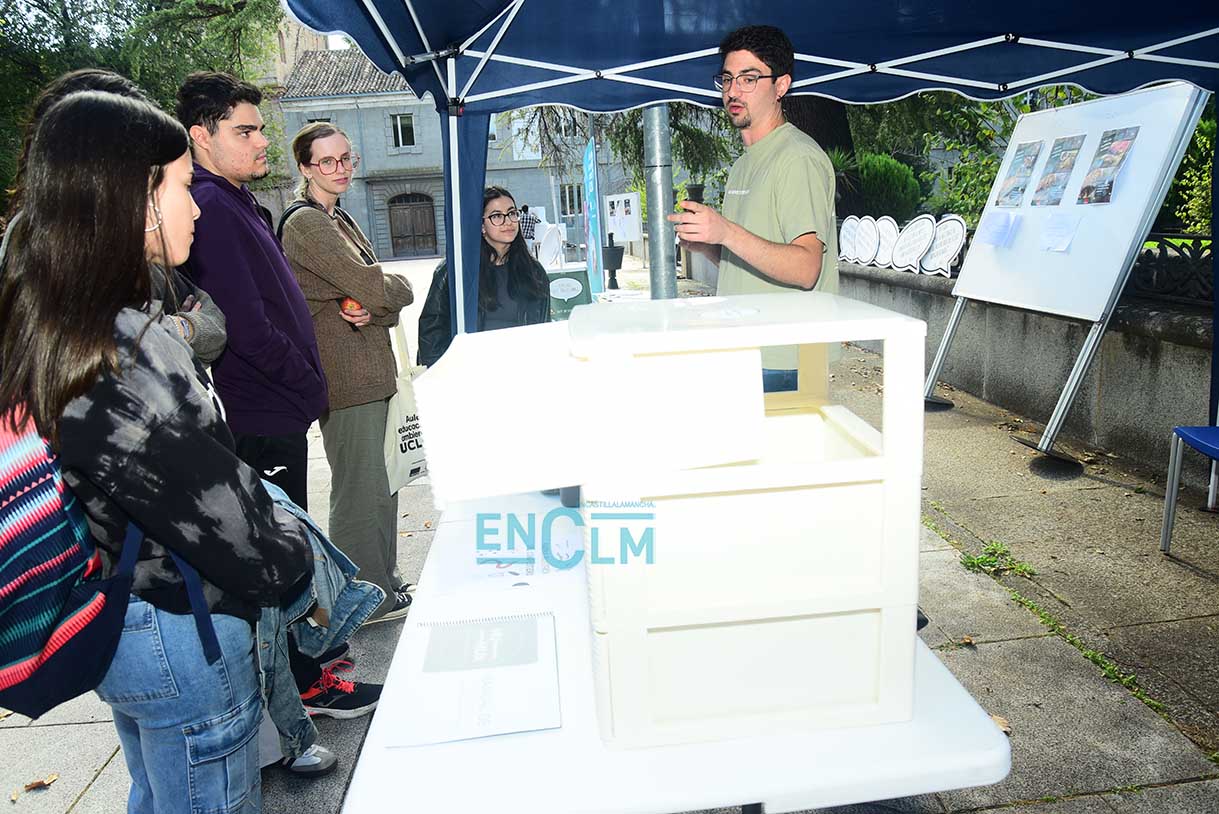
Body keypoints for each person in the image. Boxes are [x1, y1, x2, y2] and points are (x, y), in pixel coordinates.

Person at [0, 89, 313, 814]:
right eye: (181, 185)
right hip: (179, 629)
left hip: (121, 615)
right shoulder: (122, 349)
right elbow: (230, 528)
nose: (195, 207)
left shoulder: (50, 317)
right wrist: (293, 545)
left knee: (158, 789)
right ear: (137, 198)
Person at [176, 73, 381, 722]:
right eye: (245, 130)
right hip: (261, 408)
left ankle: (306, 665)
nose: (262, 140)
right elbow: (245, 325)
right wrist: (305, 379)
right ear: (201, 136)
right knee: (279, 553)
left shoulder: (235, 199)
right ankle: (304, 687)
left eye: (259, 128)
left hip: (276, 403)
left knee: (285, 545)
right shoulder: (210, 205)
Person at [280, 122, 415, 623]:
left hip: (370, 371)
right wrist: (390, 294)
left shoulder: (338, 217)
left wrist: (377, 306)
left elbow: (374, 300)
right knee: (361, 491)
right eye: (327, 161)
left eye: (346, 159)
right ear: (305, 167)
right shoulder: (307, 223)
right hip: (347, 378)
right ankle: (361, 598)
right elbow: (376, 285)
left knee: (383, 485)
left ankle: (383, 582)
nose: (340, 169)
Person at [1, 69, 226, 365]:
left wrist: (177, 328)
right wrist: (160, 331)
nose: (195, 209)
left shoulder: (137, 252)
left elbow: (213, 321)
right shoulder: (34, 256)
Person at [668, 24, 838, 392]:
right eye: (728, 79)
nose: (733, 91)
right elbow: (753, 261)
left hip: (785, 359)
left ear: (781, 86)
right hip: (747, 350)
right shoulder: (745, 163)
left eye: (749, 79)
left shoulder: (797, 158)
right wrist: (709, 245)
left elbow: (806, 269)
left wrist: (726, 231)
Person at [418, 186, 551, 366]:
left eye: (512, 213)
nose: (508, 222)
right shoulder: (455, 272)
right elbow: (431, 331)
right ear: (481, 225)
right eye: (496, 216)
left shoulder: (534, 272)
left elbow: (543, 328)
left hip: (522, 366)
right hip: (469, 369)